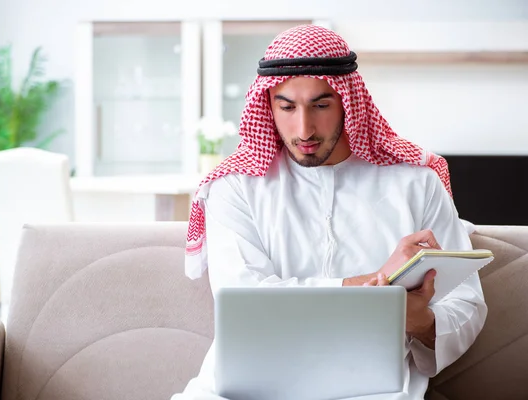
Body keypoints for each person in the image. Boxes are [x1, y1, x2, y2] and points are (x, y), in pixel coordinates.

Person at [172, 24, 487, 400]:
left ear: (347, 102)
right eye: (286, 106)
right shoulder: (235, 187)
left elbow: (466, 303)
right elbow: (248, 299)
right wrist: (381, 287)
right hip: (239, 390)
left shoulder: (416, 183)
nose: (304, 128)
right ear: (266, 104)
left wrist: (418, 319)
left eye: (321, 105)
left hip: (370, 391)